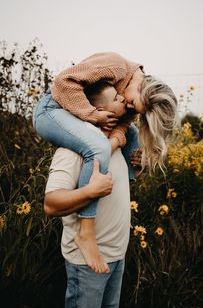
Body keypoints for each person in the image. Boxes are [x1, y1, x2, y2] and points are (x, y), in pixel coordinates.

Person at [33, 51, 178, 273]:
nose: (129, 108)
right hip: (52, 109)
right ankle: (86, 232)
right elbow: (63, 83)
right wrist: (92, 115)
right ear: (140, 88)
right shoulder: (116, 67)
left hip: (86, 111)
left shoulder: (130, 99)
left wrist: (124, 148)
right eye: (131, 103)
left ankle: (127, 178)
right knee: (97, 147)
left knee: (132, 135)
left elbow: (123, 125)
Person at [43, 112, 142, 308]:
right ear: (99, 109)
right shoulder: (72, 151)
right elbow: (50, 205)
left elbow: (115, 187)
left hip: (116, 255)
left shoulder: (114, 144)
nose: (124, 103)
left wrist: (138, 165)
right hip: (87, 263)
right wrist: (90, 191)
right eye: (116, 98)